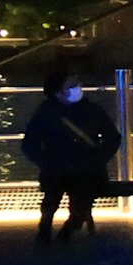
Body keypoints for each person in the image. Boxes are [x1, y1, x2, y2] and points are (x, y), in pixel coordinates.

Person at [20, 67, 121, 240]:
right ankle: (50, 228)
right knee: (55, 193)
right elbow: (30, 144)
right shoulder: (50, 112)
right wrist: (49, 163)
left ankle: (64, 229)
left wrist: (96, 161)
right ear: (58, 92)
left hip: (84, 169)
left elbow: (112, 137)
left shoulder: (54, 112)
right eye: (72, 85)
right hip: (64, 167)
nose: (78, 87)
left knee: (77, 197)